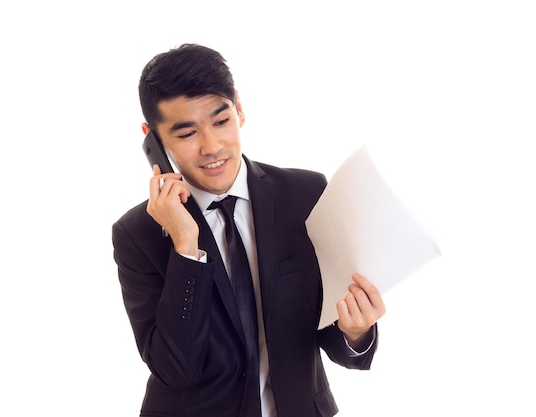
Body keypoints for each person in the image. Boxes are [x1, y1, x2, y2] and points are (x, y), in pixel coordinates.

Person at [112, 43, 386, 417]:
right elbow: (175, 369)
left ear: (239, 109)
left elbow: (330, 333)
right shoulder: (137, 234)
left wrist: (356, 331)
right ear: (153, 138)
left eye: (221, 121)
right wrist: (185, 247)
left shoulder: (305, 195)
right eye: (187, 133)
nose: (212, 147)